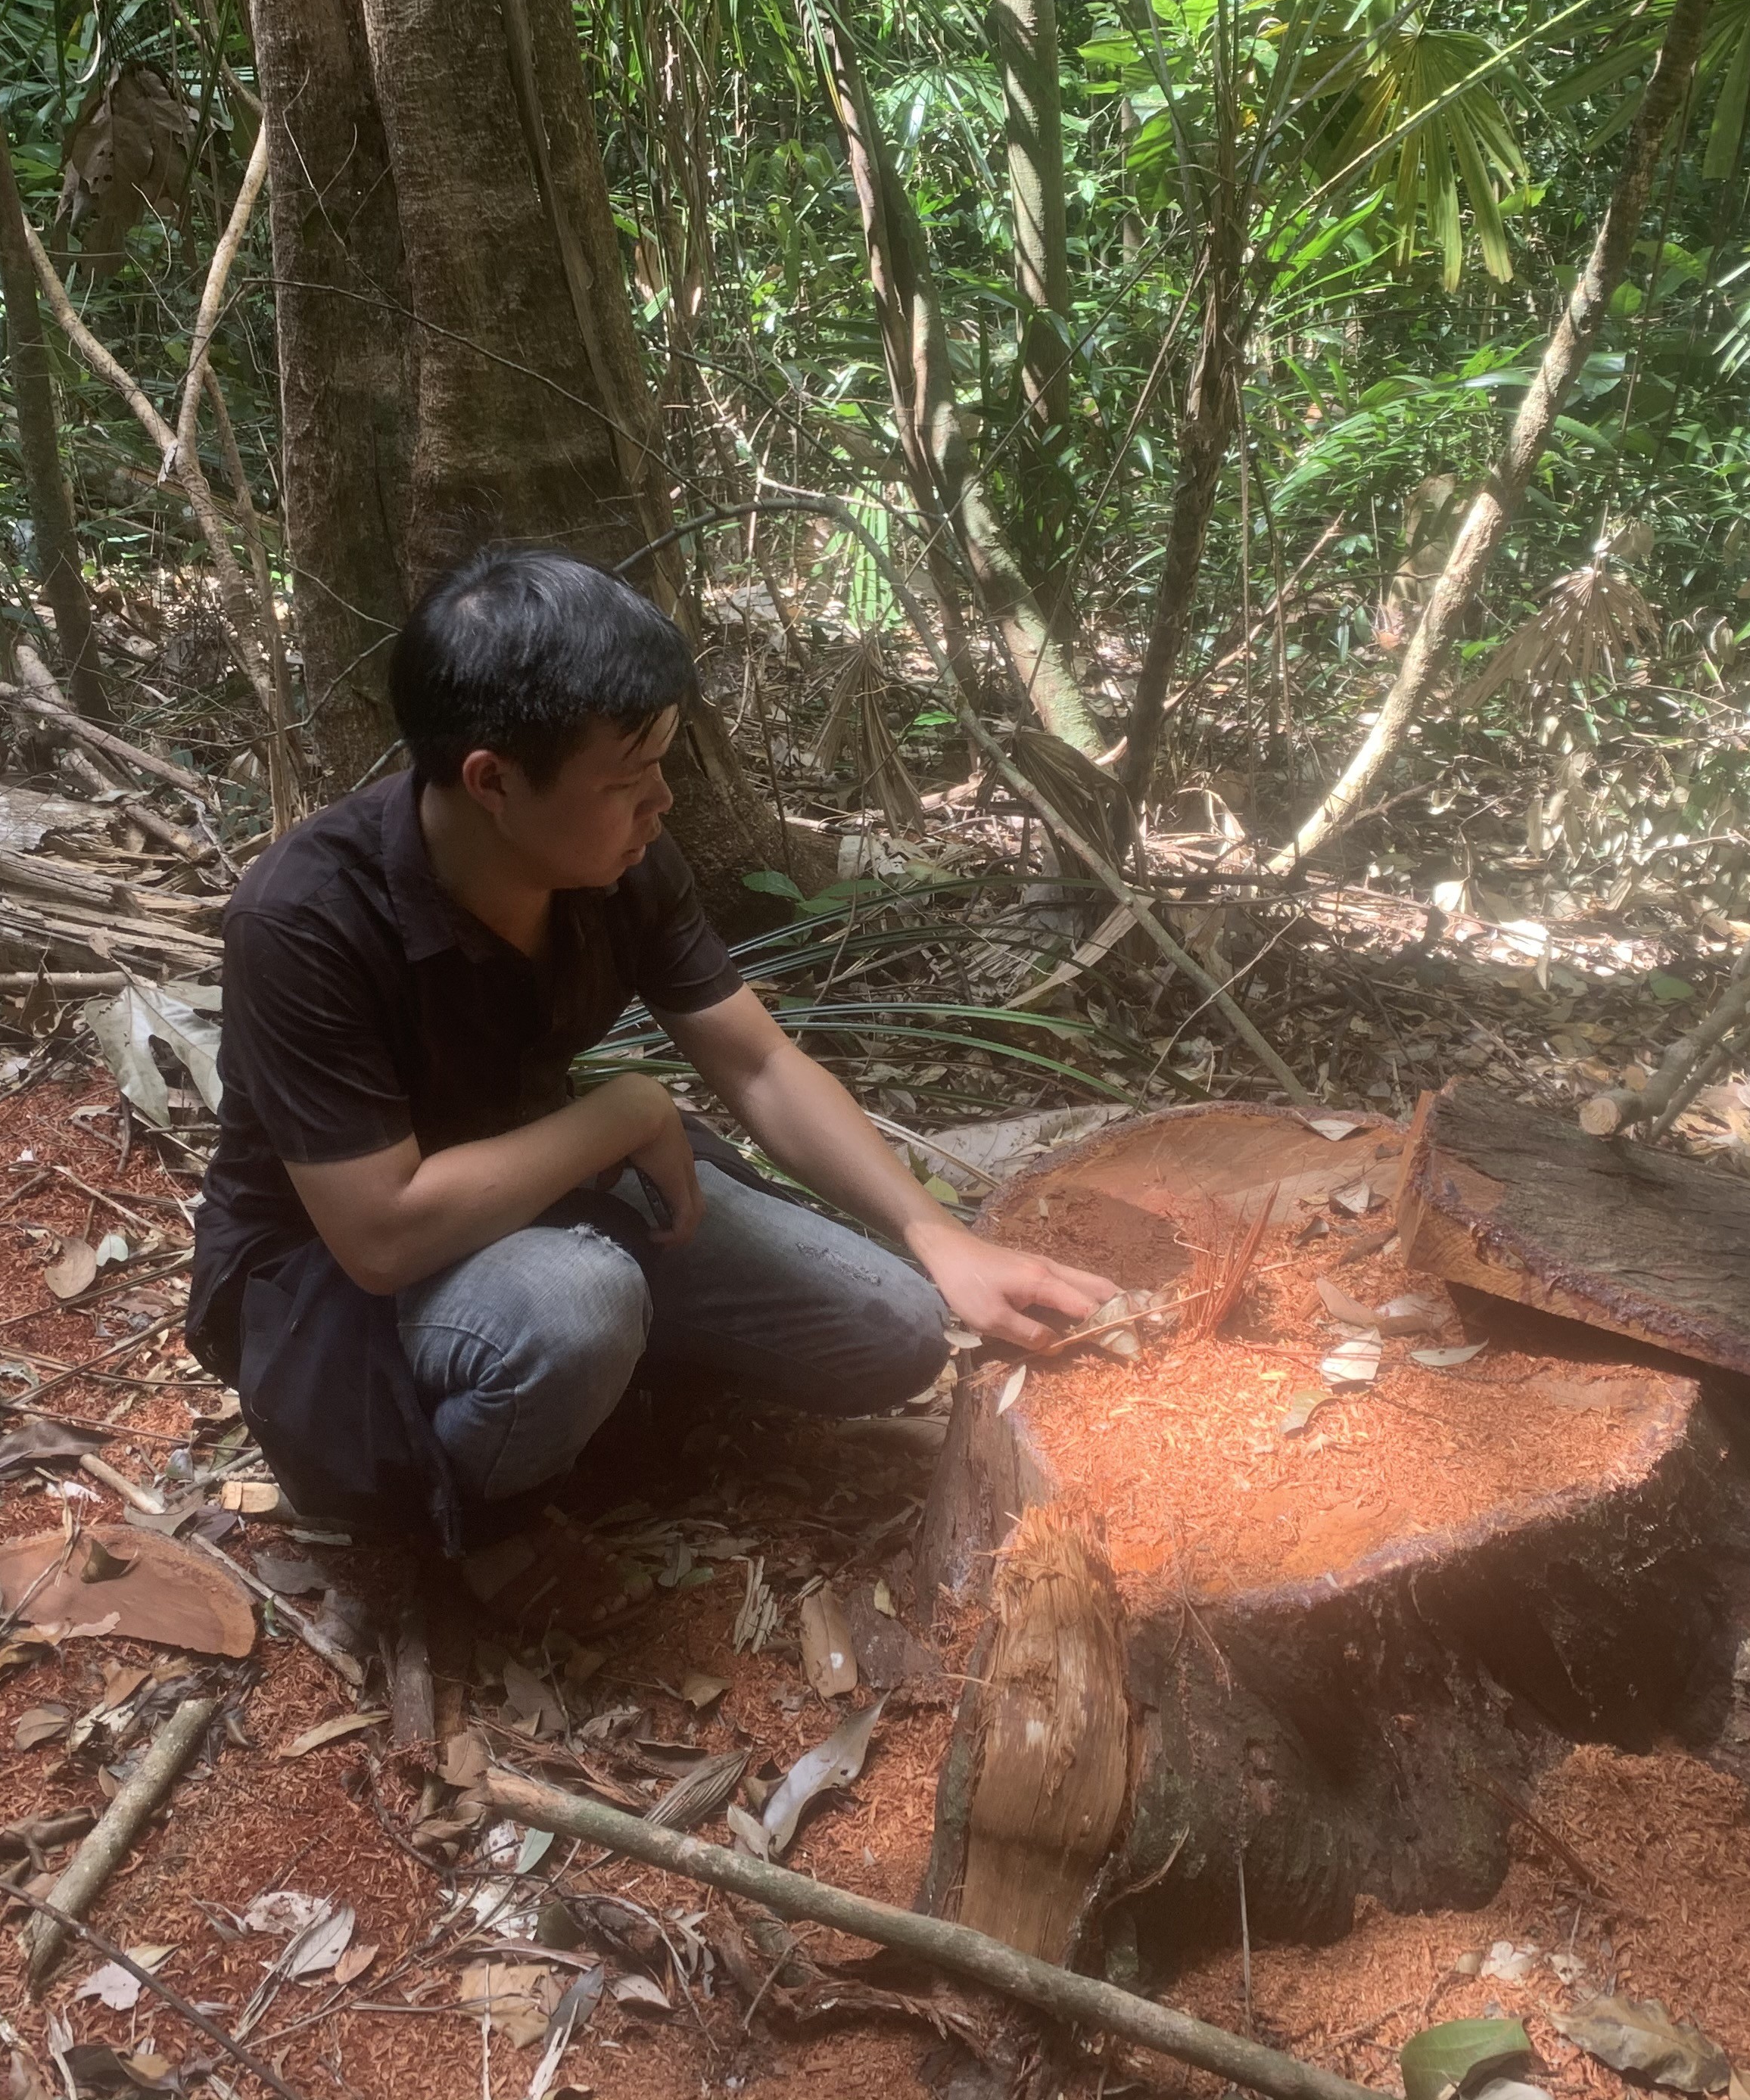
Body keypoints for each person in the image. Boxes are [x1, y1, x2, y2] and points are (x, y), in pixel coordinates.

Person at [187, 546, 1116, 1551]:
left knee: (890, 1330)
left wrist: (939, 1236)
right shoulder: (305, 921)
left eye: (662, 766)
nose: (660, 804)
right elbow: (380, 1236)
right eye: (628, 779)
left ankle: (597, 1385)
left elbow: (757, 1063)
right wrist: (627, 1113)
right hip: (336, 1278)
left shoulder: (614, 860)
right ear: (491, 781)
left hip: (547, 1197)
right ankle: (451, 1523)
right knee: (574, 1310)